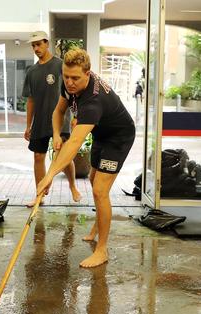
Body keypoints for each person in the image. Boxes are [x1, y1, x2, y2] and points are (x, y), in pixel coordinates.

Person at [37, 48, 136, 268]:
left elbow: (74, 144)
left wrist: (49, 175)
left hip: (119, 137)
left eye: (75, 78)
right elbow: (58, 111)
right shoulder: (69, 84)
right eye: (66, 76)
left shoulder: (94, 101)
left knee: (100, 190)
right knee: (93, 181)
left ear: (88, 73)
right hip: (101, 132)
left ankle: (102, 250)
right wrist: (55, 134)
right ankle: (97, 227)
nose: (69, 82)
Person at [22, 30, 81, 207]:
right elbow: (30, 100)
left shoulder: (61, 66)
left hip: (60, 120)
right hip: (39, 121)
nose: (36, 48)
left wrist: (76, 115)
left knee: (63, 156)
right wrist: (28, 125)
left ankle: (72, 187)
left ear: (47, 43)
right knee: (38, 157)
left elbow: (73, 91)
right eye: (33, 45)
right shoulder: (31, 71)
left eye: (39, 44)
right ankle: (39, 195)